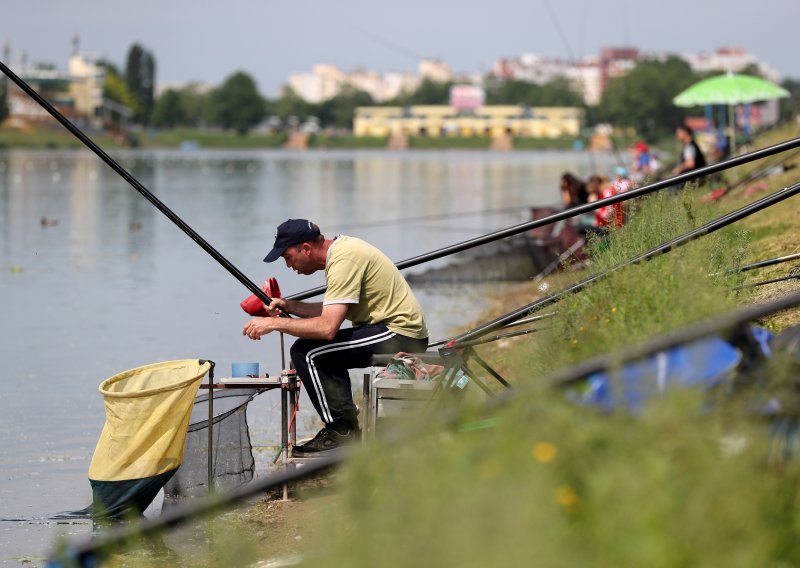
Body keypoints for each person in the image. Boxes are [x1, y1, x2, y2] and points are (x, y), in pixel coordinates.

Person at [242, 219, 429, 456]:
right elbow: (332, 309)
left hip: (400, 334)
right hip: (391, 330)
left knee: (307, 352)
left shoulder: (344, 260)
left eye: (288, 257)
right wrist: (290, 306)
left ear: (306, 248)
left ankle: (341, 431)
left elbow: (327, 328)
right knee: (318, 350)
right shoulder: (342, 252)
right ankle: (346, 426)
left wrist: (273, 323)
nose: (288, 265)